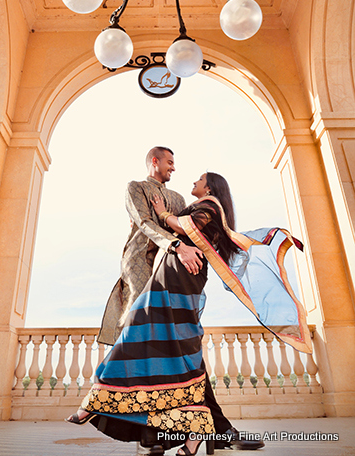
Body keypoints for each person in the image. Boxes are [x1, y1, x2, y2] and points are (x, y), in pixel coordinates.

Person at [65, 171, 310, 453]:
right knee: (174, 348)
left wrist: (164, 215)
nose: (193, 180)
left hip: (181, 277)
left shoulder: (209, 205)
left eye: (200, 178)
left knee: (167, 341)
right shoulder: (198, 205)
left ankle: (104, 408)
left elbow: (188, 227)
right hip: (172, 276)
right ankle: (199, 433)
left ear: (210, 187)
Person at [97, 146, 204, 346]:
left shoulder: (178, 198)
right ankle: (125, 364)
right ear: (155, 161)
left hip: (167, 261)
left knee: (167, 311)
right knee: (138, 308)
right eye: (170, 162)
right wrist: (177, 246)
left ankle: (159, 368)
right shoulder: (136, 187)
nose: (174, 168)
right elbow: (145, 223)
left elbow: (184, 228)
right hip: (139, 257)